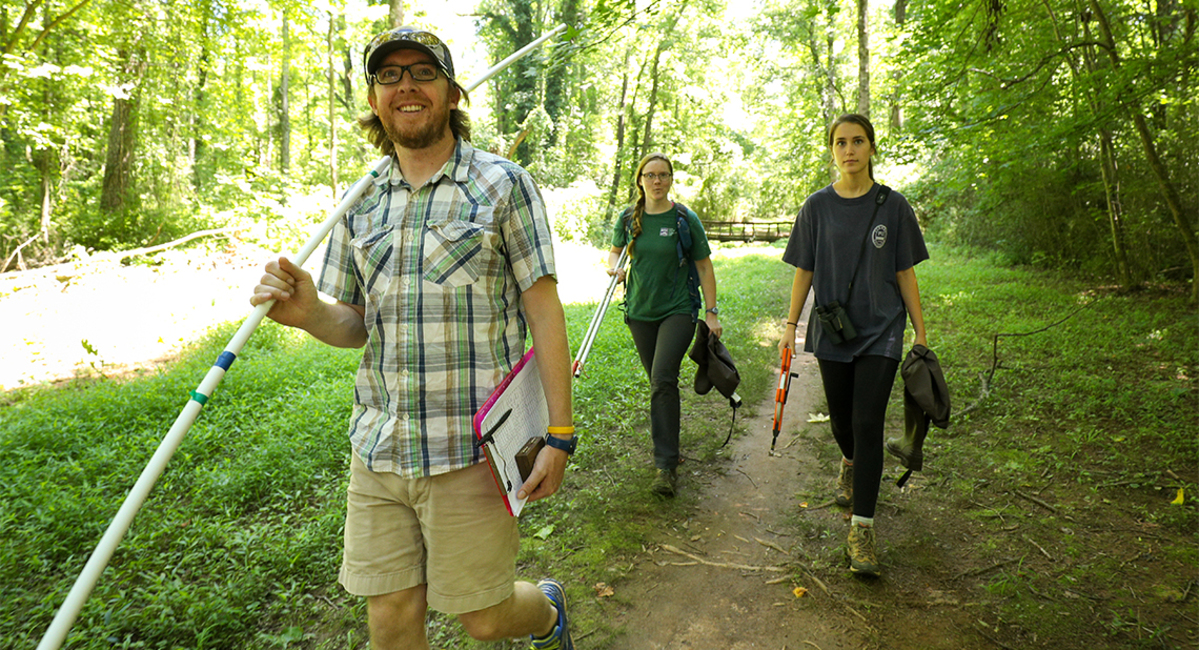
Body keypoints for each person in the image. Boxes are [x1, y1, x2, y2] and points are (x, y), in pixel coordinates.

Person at [249, 26, 576, 650]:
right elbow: (353, 323)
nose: (406, 86)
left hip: (471, 453)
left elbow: (544, 309)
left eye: (422, 73)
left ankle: (548, 612)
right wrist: (309, 312)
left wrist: (559, 433)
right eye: (390, 75)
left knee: (483, 619)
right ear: (374, 99)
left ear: (452, 92)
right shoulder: (360, 200)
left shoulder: (504, 185)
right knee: (392, 616)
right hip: (378, 447)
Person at [777, 114, 929, 578]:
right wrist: (789, 325)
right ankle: (849, 462)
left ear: (871, 148)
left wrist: (920, 333)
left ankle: (862, 530)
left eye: (858, 141)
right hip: (833, 330)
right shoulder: (816, 207)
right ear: (832, 151)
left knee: (867, 421)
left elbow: (905, 271)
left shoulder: (894, 207)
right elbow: (804, 268)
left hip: (883, 328)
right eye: (841, 142)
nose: (850, 150)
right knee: (842, 421)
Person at [607, 152, 721, 498]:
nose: (657, 181)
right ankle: (670, 449)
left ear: (671, 180)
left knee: (661, 380)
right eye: (650, 175)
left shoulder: (685, 218)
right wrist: (614, 268)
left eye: (664, 175)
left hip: (679, 309)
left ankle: (665, 466)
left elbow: (703, 267)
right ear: (640, 180)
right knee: (662, 384)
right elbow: (614, 252)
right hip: (640, 311)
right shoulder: (629, 217)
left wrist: (712, 312)